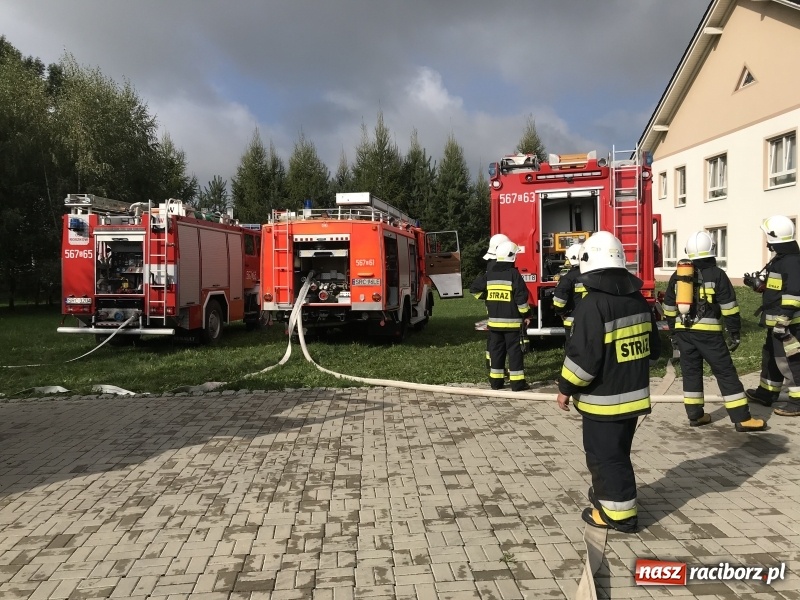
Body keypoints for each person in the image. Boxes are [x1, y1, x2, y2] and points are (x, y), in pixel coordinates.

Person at [556, 231, 659, 533]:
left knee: (605, 458)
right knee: (617, 452)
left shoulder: (592, 305)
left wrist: (565, 389)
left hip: (604, 402)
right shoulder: (638, 300)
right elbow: (653, 350)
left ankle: (619, 514)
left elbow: (583, 361)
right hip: (633, 397)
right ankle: (608, 496)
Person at [661, 231, 765, 432]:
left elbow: (668, 306)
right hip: (709, 335)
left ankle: (695, 415)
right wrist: (734, 332)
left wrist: (674, 332)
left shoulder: (678, 275)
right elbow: (730, 307)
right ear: (711, 251)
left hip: (684, 333)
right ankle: (742, 418)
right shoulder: (717, 274)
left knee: (690, 372)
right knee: (725, 373)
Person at [745, 215, 800, 416]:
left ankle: (798, 400)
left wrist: (783, 319)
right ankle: (766, 392)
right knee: (770, 357)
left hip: (788, 323)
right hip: (776, 322)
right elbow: (778, 288)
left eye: (767, 236)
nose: (766, 240)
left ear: (774, 237)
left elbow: (794, 293)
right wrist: (760, 287)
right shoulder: (781, 259)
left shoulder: (792, 262)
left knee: (789, 361)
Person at [471, 240, 531, 391]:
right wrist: (527, 315)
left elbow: (474, 289)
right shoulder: (514, 274)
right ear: (511, 256)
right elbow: (521, 298)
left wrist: (488, 297)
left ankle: (496, 383)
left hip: (494, 325)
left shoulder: (490, 274)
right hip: (512, 324)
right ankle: (517, 384)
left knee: (496, 352)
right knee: (514, 353)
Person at [472, 233, 511, 371]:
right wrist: (489, 295)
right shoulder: (497, 265)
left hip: (494, 310)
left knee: (493, 341)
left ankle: (492, 365)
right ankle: (494, 366)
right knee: (498, 343)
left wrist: (488, 296)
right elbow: (476, 288)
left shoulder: (491, 263)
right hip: (502, 311)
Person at [552, 243, 587, 343]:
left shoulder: (568, 278)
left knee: (573, 351)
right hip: (591, 321)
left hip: (572, 321)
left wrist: (561, 313)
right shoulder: (594, 275)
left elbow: (558, 302)